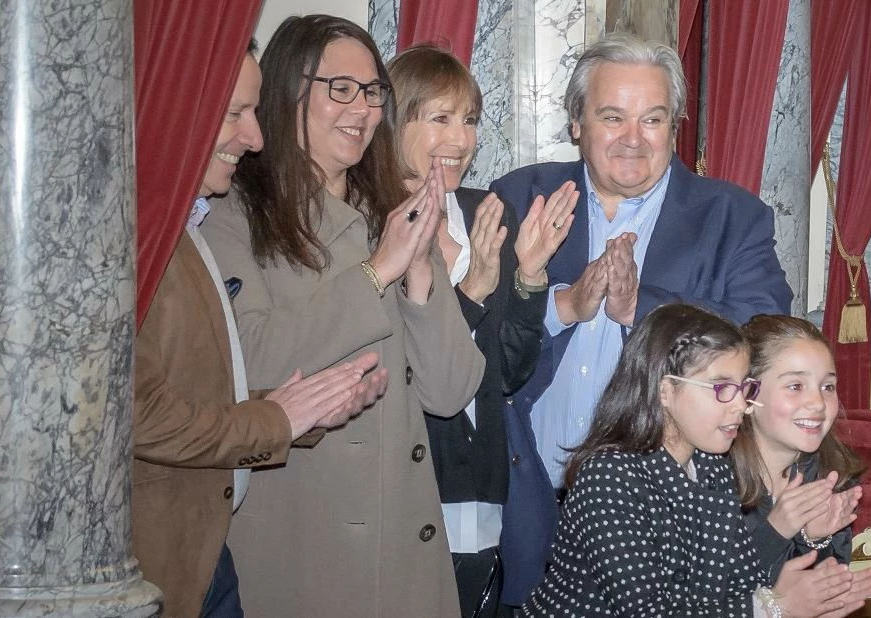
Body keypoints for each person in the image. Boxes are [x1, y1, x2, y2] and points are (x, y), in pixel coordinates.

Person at [487, 32, 795, 602]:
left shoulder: (732, 218)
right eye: (612, 117)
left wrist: (638, 310)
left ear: (674, 125)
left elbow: (763, 343)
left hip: (663, 523)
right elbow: (472, 336)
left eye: (652, 120)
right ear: (576, 122)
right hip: (522, 500)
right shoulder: (520, 196)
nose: (633, 139)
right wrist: (562, 305)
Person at [200, 15, 486, 617]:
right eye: (340, 89)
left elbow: (450, 391)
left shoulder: (392, 211)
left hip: (405, 547)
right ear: (287, 93)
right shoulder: (232, 216)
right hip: (303, 547)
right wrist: (378, 272)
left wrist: (421, 276)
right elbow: (245, 357)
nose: (361, 107)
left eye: (373, 90)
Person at [131, 40, 387, 618]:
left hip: (204, 555)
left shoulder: (186, 225)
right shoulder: (134, 237)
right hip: (149, 564)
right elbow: (134, 415)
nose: (254, 137)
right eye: (234, 114)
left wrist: (302, 410)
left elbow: (201, 393)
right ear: (179, 108)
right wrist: (277, 418)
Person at [521, 304, 871, 617]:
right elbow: (650, 613)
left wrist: (806, 567)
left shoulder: (710, 467)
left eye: (744, 389)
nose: (740, 405)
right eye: (722, 389)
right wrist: (776, 606)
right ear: (665, 390)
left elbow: (738, 581)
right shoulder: (610, 476)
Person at [387, 44, 577, 617]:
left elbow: (507, 373)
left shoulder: (483, 213)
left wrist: (530, 276)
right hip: (408, 483)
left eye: (468, 120)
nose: (461, 139)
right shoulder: (372, 228)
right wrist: (470, 293)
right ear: (394, 124)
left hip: (487, 485)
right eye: (439, 118)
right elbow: (409, 375)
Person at [731, 315, 866, 587]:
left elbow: (821, 601)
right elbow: (706, 598)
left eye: (827, 387)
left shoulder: (829, 475)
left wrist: (812, 538)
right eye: (795, 386)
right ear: (748, 394)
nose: (818, 403)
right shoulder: (711, 480)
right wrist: (776, 530)